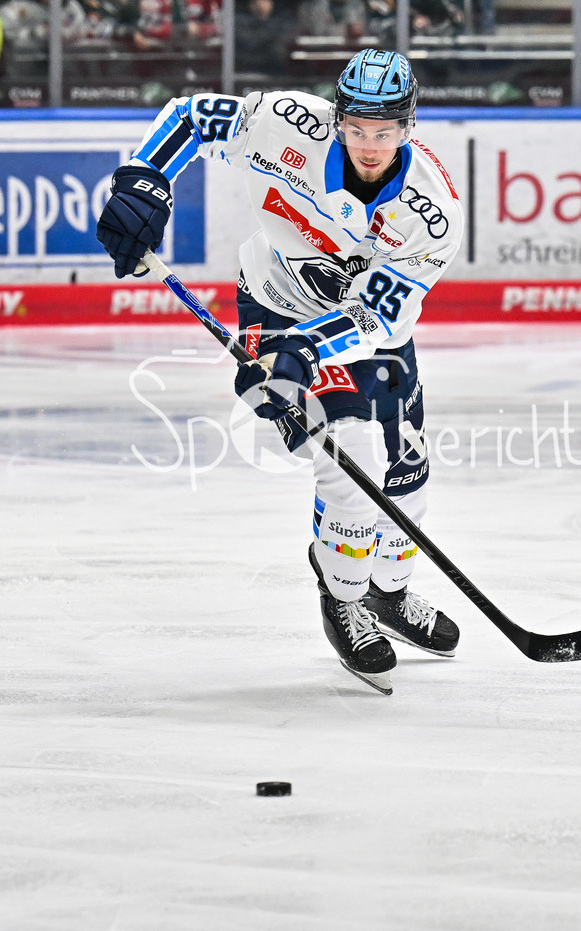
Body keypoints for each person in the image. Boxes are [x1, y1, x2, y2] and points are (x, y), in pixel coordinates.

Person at [96, 48, 464, 695]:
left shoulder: (432, 211)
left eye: (384, 133)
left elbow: (379, 314)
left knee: (408, 480)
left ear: (410, 128)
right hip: (276, 307)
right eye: (355, 129)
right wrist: (145, 175)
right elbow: (193, 116)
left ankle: (389, 592)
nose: (368, 146)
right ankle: (344, 596)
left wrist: (310, 350)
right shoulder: (286, 122)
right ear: (338, 119)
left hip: (363, 334)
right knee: (351, 466)